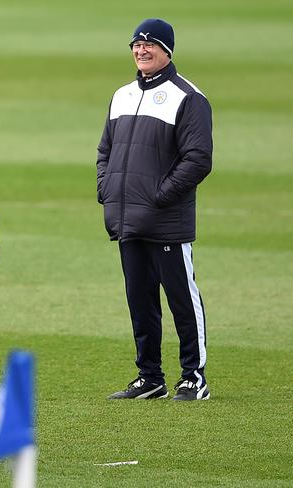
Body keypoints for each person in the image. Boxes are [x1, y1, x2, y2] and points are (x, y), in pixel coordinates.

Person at [97, 19, 213, 401]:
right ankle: (150, 377)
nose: (141, 50)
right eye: (137, 44)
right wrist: (107, 188)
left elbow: (198, 160)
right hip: (128, 219)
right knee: (140, 300)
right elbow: (105, 151)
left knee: (182, 298)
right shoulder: (122, 95)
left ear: (167, 50)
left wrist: (160, 196)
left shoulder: (188, 97)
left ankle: (194, 377)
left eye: (150, 44)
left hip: (166, 220)